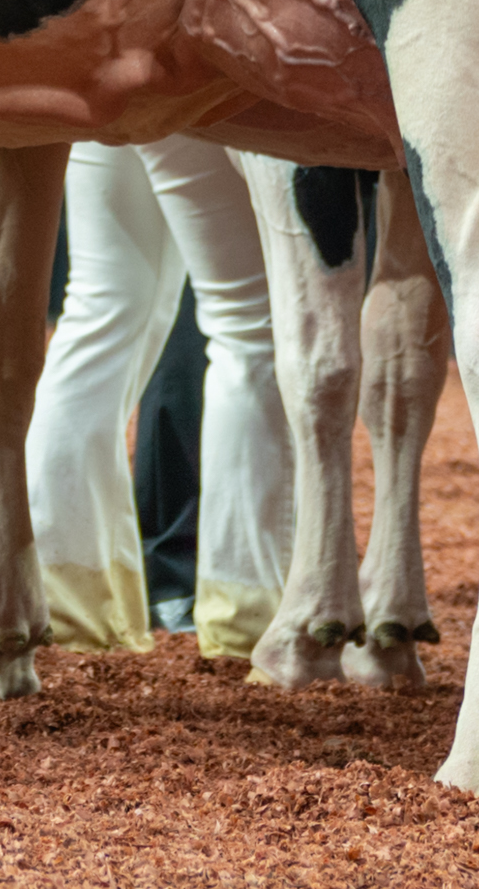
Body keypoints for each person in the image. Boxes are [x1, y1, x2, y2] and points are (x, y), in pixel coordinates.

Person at [24, 138, 292, 658]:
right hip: (202, 100)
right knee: (247, 322)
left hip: (102, 96)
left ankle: (67, 606)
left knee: (101, 310)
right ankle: (245, 619)